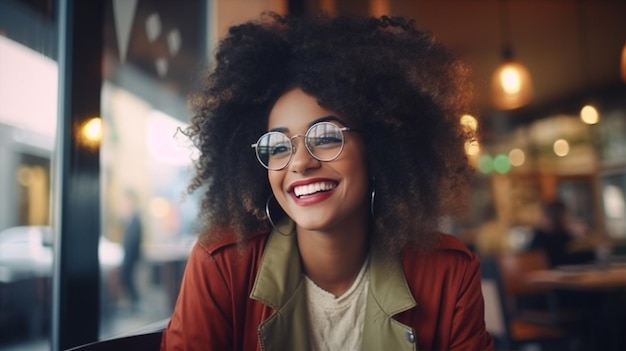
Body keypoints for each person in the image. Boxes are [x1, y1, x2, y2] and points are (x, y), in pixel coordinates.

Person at [161, 12, 493, 351]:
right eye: (277, 145)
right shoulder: (221, 266)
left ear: (378, 148)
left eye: (326, 137)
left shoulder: (449, 273)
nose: (301, 162)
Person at [528, 199, 595, 268]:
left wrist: (583, 239)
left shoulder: (562, 235)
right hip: (547, 277)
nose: (569, 220)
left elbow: (589, 259)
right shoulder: (542, 238)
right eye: (566, 217)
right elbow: (560, 262)